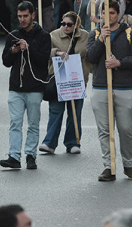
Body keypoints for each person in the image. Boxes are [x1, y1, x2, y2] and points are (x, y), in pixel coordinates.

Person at [87, 0, 132, 181]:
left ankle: (129, 165)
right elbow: (90, 57)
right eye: (105, 13)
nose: (109, 16)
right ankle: (109, 166)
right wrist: (100, 40)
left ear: (118, 14)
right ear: (101, 14)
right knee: (105, 130)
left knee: (125, 128)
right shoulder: (95, 33)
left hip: (124, 87)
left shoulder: (131, 34)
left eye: (112, 13)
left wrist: (119, 63)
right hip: (100, 86)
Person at [0, 1, 50, 170]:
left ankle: (30, 155)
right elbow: (6, 62)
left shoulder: (43, 36)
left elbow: (43, 61)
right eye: (20, 16)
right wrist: (13, 51)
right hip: (16, 87)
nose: (22, 20)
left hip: (35, 87)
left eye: (25, 16)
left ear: (33, 15)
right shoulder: (13, 35)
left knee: (33, 124)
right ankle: (14, 156)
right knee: (15, 123)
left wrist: (28, 49)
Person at [40, 11, 90, 155]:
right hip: (59, 79)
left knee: (75, 112)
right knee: (56, 110)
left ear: (76, 25)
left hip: (78, 80)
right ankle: (49, 143)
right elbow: (44, 52)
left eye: (69, 24)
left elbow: (89, 55)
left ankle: (73, 142)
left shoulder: (85, 36)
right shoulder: (53, 35)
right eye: (63, 23)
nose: (65, 27)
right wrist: (56, 52)